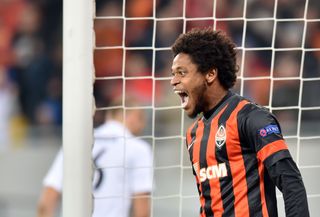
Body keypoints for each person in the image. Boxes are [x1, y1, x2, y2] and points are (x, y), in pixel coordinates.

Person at [170, 27, 309, 217]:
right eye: (173, 73)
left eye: (182, 73)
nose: (173, 81)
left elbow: (290, 181)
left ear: (210, 74)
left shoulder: (252, 118)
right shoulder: (193, 135)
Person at [37, 97, 153, 217]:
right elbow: (142, 208)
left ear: (109, 116)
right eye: (142, 119)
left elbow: (46, 201)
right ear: (134, 117)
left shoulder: (77, 142)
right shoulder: (138, 148)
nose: (143, 126)